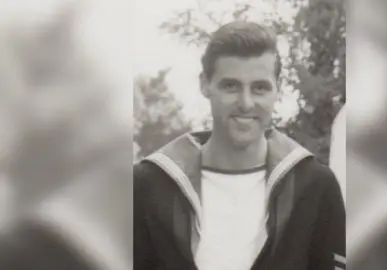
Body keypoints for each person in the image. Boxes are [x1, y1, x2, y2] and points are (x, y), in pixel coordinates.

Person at [134, 21, 345, 270]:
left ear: (277, 88)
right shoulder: (149, 186)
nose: (246, 103)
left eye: (259, 88)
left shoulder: (315, 186)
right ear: (205, 84)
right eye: (231, 86)